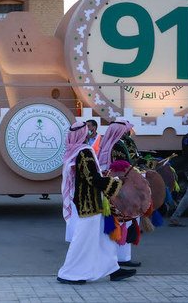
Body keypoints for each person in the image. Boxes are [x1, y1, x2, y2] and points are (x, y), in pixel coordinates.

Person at [57, 122, 135, 284]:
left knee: (103, 238)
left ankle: (113, 270)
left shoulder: (74, 151)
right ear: (83, 135)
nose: (89, 134)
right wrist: (115, 183)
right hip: (89, 202)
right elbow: (93, 178)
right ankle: (69, 273)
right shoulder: (84, 152)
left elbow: (88, 175)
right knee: (83, 239)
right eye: (87, 132)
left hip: (87, 200)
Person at [98, 120, 141, 268]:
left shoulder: (105, 145)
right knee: (126, 221)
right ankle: (122, 258)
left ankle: (114, 257)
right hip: (120, 188)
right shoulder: (118, 145)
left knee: (117, 222)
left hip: (109, 187)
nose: (126, 132)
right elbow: (124, 168)